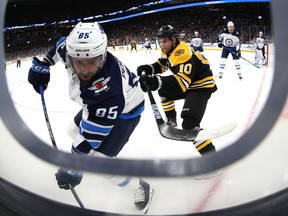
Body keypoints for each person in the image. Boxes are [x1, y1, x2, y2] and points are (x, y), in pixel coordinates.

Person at [28, 21, 153, 212]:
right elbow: (59, 46)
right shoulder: (70, 49)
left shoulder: (108, 91)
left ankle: (139, 184)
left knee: (97, 161)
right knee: (71, 130)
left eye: (92, 62)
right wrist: (44, 63)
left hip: (125, 112)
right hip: (94, 106)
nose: (85, 70)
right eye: (79, 62)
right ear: (70, 56)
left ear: (102, 55)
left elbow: (89, 139)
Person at [136, 25, 218, 158]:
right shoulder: (168, 49)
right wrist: (150, 68)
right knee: (164, 91)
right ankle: (171, 120)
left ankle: (213, 161)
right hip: (190, 83)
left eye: (165, 41)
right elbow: (164, 64)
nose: (162, 45)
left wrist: (156, 81)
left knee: (189, 124)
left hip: (201, 85)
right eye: (161, 41)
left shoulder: (182, 52)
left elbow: (181, 84)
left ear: (173, 40)